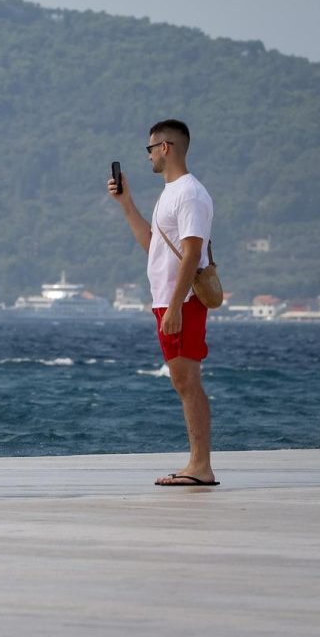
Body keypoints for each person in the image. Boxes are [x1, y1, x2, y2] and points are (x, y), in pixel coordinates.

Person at [108, 119, 218, 486]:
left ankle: (200, 466)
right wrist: (127, 205)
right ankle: (197, 464)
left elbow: (192, 253)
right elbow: (154, 246)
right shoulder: (170, 194)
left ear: (165, 147)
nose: (149, 156)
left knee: (187, 380)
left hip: (183, 301)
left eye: (150, 149)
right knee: (181, 381)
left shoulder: (189, 193)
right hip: (169, 300)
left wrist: (174, 305)